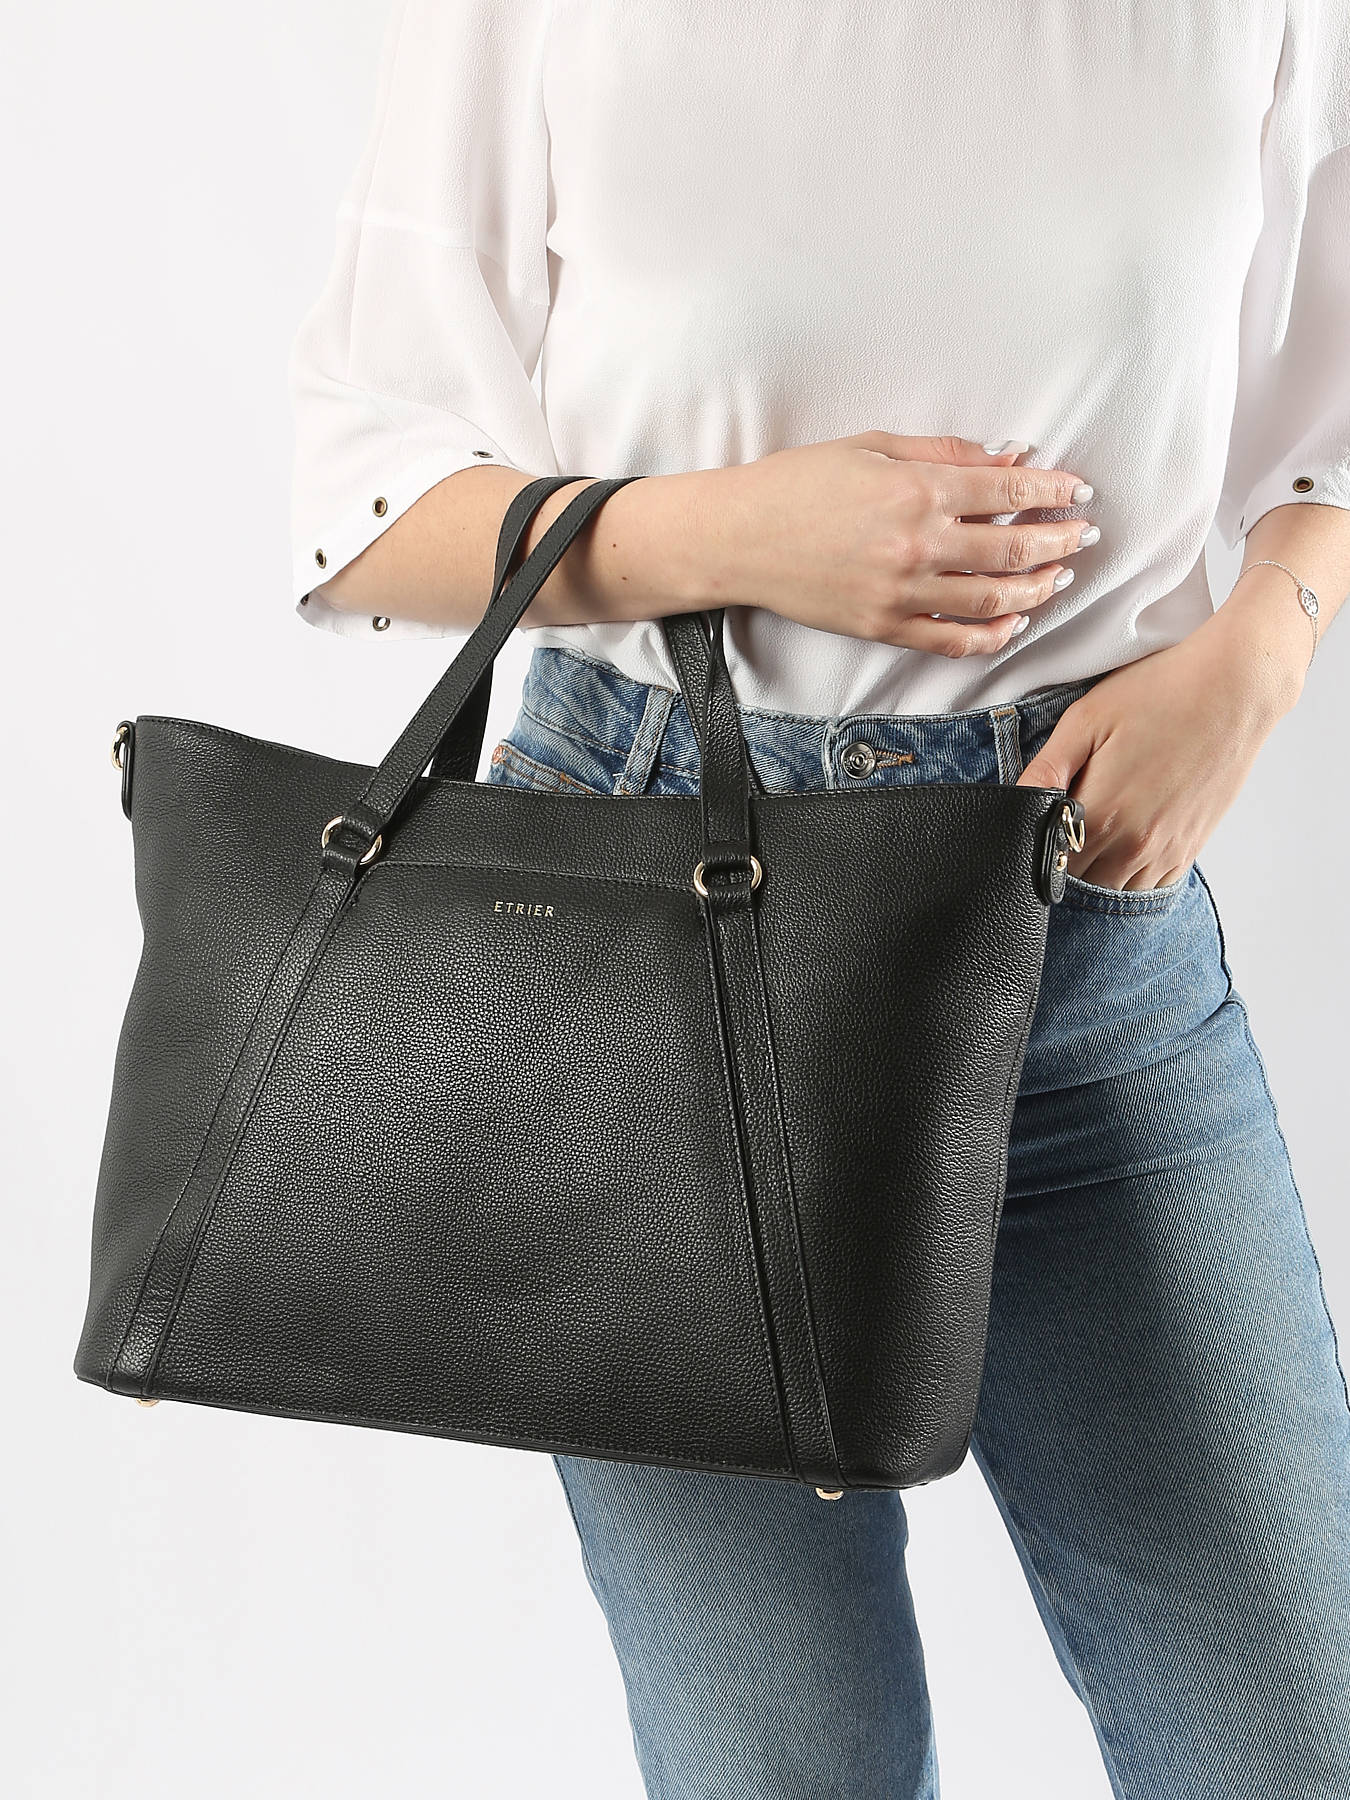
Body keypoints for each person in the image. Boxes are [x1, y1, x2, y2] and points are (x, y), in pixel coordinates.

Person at [288, 3, 1350, 1793]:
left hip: (1077, 904)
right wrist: (727, 531)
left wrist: (1262, 649)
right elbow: (361, 497)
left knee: (1294, 1738)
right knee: (782, 1768)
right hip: (645, 947)